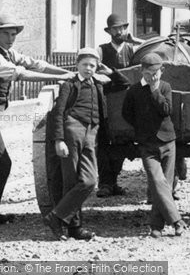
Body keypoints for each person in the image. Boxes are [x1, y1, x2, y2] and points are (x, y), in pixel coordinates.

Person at [0, 13, 73, 230]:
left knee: (3, 163)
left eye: (14, 34)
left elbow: (36, 64)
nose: (11, 38)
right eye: (7, 34)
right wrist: (61, 78)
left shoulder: (9, 53)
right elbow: (21, 74)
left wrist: (68, 73)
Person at [44, 47, 126, 241]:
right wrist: (59, 140)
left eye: (92, 65)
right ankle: (74, 229)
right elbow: (58, 112)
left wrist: (111, 72)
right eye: (85, 65)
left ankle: (56, 217)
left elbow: (124, 83)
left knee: (89, 181)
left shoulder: (98, 84)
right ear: (77, 65)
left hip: (92, 133)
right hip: (72, 130)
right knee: (70, 181)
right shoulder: (69, 85)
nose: (88, 68)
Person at [122, 52, 184, 238]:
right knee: (157, 182)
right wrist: (142, 129)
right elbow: (127, 114)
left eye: (156, 73)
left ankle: (156, 226)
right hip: (147, 145)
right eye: (148, 73)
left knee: (166, 184)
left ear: (162, 71)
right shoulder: (133, 91)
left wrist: (154, 89)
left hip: (168, 142)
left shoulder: (165, 87)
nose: (152, 77)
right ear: (142, 71)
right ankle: (177, 221)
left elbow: (166, 110)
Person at [96, 13, 141, 198]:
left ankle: (113, 182)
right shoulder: (101, 50)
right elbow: (95, 67)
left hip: (129, 102)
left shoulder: (133, 50)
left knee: (124, 140)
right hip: (107, 101)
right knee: (106, 143)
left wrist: (135, 40)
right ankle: (106, 183)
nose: (119, 31)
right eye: (115, 28)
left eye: (122, 27)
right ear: (109, 31)